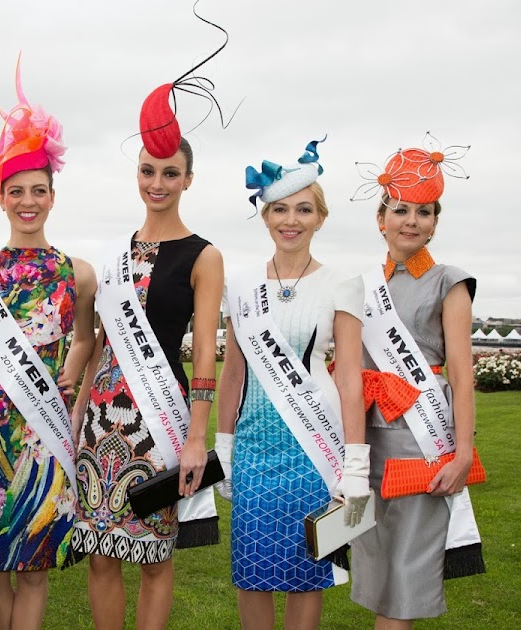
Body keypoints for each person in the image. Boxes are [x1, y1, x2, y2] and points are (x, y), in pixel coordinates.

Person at [69, 22, 230, 625]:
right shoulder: (113, 255)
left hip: (159, 418)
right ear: (135, 174)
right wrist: (80, 409)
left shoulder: (204, 255)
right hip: (103, 415)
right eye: (147, 170)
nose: (157, 183)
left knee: (154, 559)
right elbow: (101, 342)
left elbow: (205, 354)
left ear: (187, 178)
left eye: (169, 172)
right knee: (100, 555)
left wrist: (196, 437)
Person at [0, 59, 97, 630]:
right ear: (2, 195)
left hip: (46, 427)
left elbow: (85, 337)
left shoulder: (77, 272)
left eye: (38, 190)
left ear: (52, 196)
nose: (28, 200)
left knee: (34, 562)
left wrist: (72, 370)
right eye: (16, 191)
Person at [216, 140, 369, 630]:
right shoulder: (240, 285)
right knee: (251, 574)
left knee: (309, 571)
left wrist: (355, 465)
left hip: (315, 445)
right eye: (280, 208)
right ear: (264, 216)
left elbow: (348, 375)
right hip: (255, 446)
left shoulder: (342, 281)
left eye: (304, 209)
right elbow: (234, 372)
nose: (291, 219)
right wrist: (224, 447)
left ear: (320, 219)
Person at [347, 133, 486, 627]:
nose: (412, 221)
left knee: (406, 576)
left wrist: (463, 453)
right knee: (378, 570)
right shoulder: (361, 286)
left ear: (435, 222)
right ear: (380, 217)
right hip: (368, 445)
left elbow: (463, 377)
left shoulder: (449, 281)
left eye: (424, 212)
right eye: (401, 209)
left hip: (419, 444)